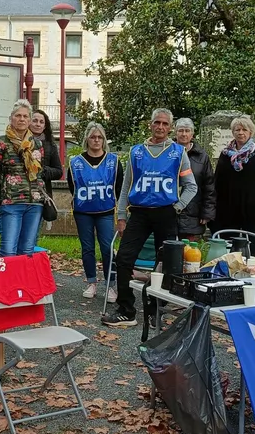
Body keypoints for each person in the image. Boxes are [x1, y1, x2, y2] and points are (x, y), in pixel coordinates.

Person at [103, 108, 198, 327]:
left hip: (166, 212)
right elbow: (126, 186)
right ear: (150, 124)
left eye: (165, 124)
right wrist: (121, 215)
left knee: (165, 264)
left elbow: (191, 186)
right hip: (139, 212)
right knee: (124, 258)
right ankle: (126, 310)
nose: (161, 127)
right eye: (157, 123)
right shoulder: (137, 152)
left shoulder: (178, 152)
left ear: (170, 127)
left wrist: (178, 207)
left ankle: (155, 310)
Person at [67, 122, 123, 301]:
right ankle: (91, 282)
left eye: (100, 137)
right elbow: (72, 186)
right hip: (83, 211)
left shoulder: (113, 161)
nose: (96, 140)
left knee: (108, 247)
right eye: (93, 137)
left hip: (105, 210)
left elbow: (119, 186)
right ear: (87, 139)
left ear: (104, 140)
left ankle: (110, 285)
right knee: (88, 248)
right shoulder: (76, 162)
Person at [0, 100, 47, 256]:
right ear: (11, 118)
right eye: (18, 115)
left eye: (25, 116)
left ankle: (22, 281)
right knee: (8, 250)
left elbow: (39, 173)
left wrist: (41, 195)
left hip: (34, 202)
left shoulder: (37, 144)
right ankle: (6, 281)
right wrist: (1, 201)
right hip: (11, 202)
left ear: (29, 120)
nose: (22, 119)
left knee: (27, 251)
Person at [212, 115, 255, 256]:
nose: (240, 133)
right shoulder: (225, 155)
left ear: (250, 132)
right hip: (227, 210)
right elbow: (216, 182)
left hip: (251, 211)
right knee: (228, 251)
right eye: (237, 129)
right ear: (233, 132)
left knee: (251, 251)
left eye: (244, 130)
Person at [174, 118, 216, 241]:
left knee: (190, 252)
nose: (184, 134)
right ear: (175, 133)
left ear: (192, 134)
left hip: (193, 212)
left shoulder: (202, 157)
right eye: (180, 131)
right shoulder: (167, 152)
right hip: (169, 210)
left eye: (187, 131)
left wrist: (207, 212)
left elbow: (209, 186)